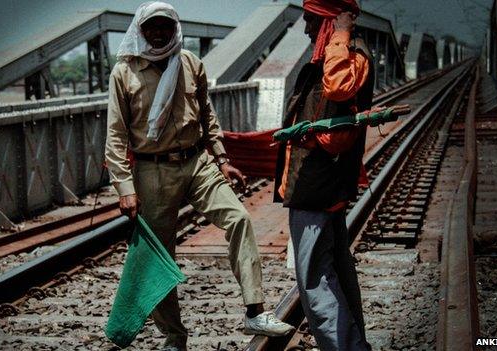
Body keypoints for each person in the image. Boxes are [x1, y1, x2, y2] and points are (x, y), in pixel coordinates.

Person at [104, 2, 294, 350]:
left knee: (238, 219)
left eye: (165, 26)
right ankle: (174, 339)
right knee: (159, 255)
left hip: (196, 163)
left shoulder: (190, 63)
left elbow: (207, 115)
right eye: (152, 27)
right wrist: (125, 187)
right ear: (141, 30)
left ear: (174, 28)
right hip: (152, 168)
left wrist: (222, 159)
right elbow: (115, 137)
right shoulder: (125, 72)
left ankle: (255, 309)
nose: (159, 33)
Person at [273, 0, 375, 350]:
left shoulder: (349, 54)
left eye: (313, 21)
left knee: (314, 279)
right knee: (336, 272)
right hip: (317, 183)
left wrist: (341, 33)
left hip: (319, 185)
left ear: (332, 20)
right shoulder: (334, 54)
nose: (306, 30)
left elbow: (338, 88)